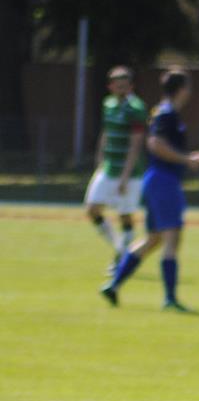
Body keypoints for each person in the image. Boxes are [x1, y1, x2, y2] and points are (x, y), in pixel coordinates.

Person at [100, 69, 199, 310]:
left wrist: (186, 158)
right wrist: (187, 159)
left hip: (158, 179)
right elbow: (155, 144)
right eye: (188, 87)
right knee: (172, 238)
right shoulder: (167, 113)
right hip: (163, 180)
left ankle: (114, 285)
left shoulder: (165, 112)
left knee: (154, 238)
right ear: (182, 89)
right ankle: (170, 299)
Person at [83, 66, 147, 271]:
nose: (121, 90)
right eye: (117, 86)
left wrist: (125, 177)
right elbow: (106, 132)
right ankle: (120, 248)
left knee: (125, 216)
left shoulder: (136, 107)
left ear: (131, 86)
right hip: (109, 168)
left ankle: (121, 258)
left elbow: (136, 144)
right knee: (92, 208)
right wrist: (99, 160)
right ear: (110, 87)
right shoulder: (108, 104)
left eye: (125, 86)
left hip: (129, 172)